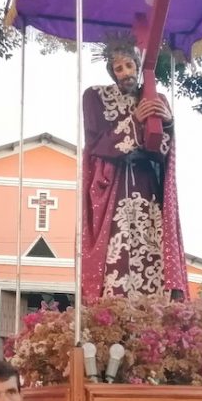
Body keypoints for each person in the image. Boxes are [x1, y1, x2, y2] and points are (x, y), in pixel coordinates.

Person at [81, 38, 187, 302]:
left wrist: (168, 123)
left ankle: (154, 308)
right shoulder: (95, 96)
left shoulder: (155, 98)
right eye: (119, 68)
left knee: (151, 244)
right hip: (113, 187)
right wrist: (134, 121)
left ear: (139, 67)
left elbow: (161, 152)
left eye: (129, 66)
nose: (126, 73)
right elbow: (95, 144)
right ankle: (111, 309)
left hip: (147, 184)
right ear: (111, 72)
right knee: (115, 250)